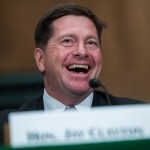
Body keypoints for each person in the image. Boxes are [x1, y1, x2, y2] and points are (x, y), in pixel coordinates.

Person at [0, 3, 143, 144]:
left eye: (91, 42)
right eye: (68, 41)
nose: (82, 51)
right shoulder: (8, 126)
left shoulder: (137, 118)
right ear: (40, 59)